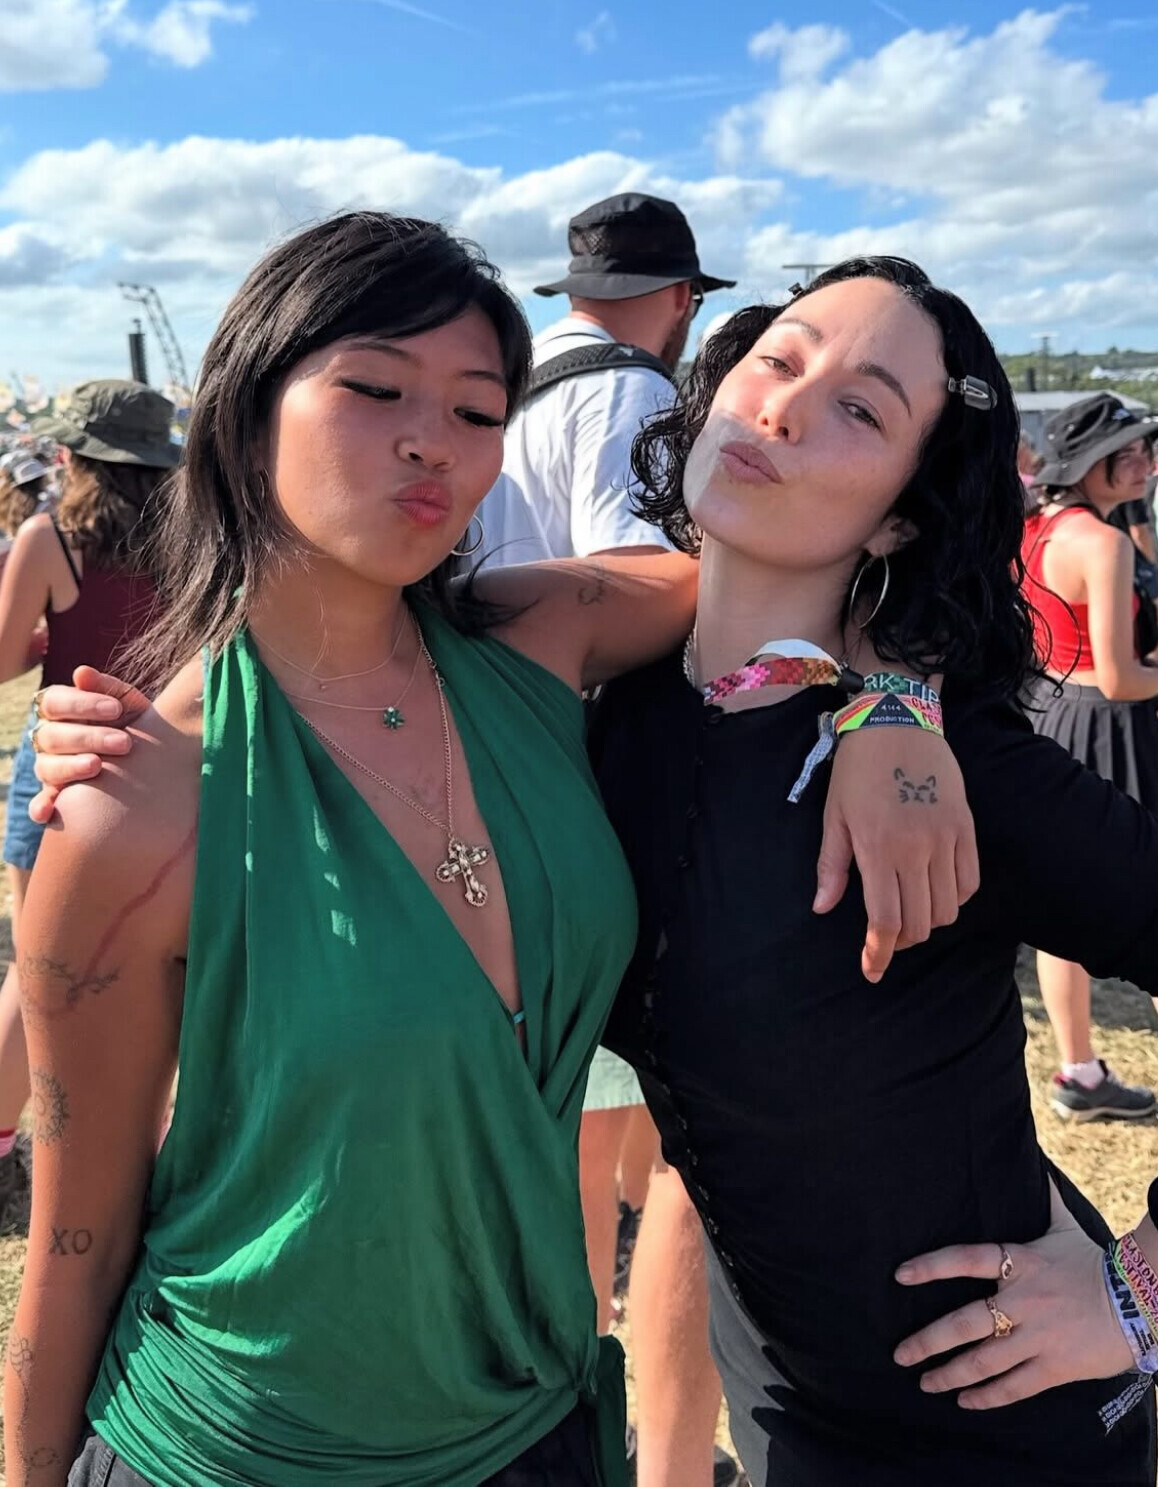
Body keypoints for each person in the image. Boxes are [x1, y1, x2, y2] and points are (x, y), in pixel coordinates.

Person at [6, 216, 971, 1487]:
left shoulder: (539, 633)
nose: (433, 441)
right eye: (375, 388)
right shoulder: (140, 800)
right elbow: (76, 1234)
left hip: (539, 1421)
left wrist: (893, 707)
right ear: (244, 412)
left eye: (475, 409)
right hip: (236, 1447)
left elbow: (802, 554)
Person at [578, 257, 1158, 1484]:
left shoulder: (957, 767)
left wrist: (1140, 1288)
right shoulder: (614, 716)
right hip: (781, 1398)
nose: (784, 408)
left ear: (902, 512)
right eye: (778, 360)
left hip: (994, 1422)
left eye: (861, 408)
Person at [477, 190, 739, 1487]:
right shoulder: (632, 396)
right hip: (597, 794)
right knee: (647, 1141)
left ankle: (571, 1401)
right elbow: (639, 599)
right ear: (679, 299)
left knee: (569, 1136)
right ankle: (629, 1432)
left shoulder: (511, 398)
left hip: (497, 784)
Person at [0, 383, 170, 1238]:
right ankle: (143, 1148)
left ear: (70, 456)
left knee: (36, 969)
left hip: (61, 758)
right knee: (156, 975)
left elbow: (4, 657)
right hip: (162, 764)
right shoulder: (192, 535)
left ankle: (4, 1140)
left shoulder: (50, 538)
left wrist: (47, 636)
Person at [1019, 393, 1158, 1121]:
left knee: (1062, 909)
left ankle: (1078, 1071)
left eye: (1145, 449)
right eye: (1123, 452)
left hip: (1050, 712)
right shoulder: (1102, 543)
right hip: (1112, 724)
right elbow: (1120, 676)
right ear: (1085, 464)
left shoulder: (1036, 526)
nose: (1143, 463)